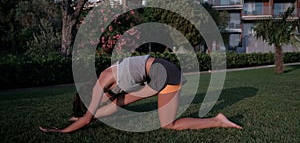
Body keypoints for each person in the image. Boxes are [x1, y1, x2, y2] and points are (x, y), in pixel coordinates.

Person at [39, 55, 242, 133]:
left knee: (166, 123)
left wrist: (63, 130)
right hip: (167, 71)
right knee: (166, 122)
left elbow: (90, 117)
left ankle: (218, 121)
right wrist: (84, 116)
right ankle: (218, 120)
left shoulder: (102, 83)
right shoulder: (108, 78)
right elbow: (110, 105)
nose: (95, 102)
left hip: (161, 74)